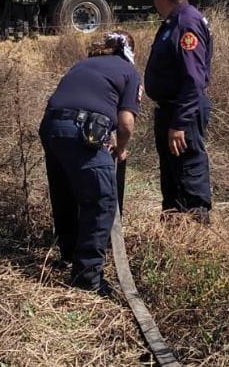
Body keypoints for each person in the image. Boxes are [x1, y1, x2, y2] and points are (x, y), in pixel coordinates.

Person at [40, 30, 141, 295]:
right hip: (83, 130)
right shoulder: (129, 72)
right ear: (131, 53)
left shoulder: (82, 64)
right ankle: (87, 278)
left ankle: (68, 254)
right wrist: (121, 148)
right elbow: (126, 122)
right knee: (101, 201)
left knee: (64, 194)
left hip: (51, 126)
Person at [144, 0, 214, 223]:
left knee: (188, 172)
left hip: (182, 112)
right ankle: (174, 229)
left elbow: (193, 79)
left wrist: (179, 123)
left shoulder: (186, 23)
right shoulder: (174, 21)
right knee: (172, 176)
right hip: (170, 110)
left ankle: (195, 232)